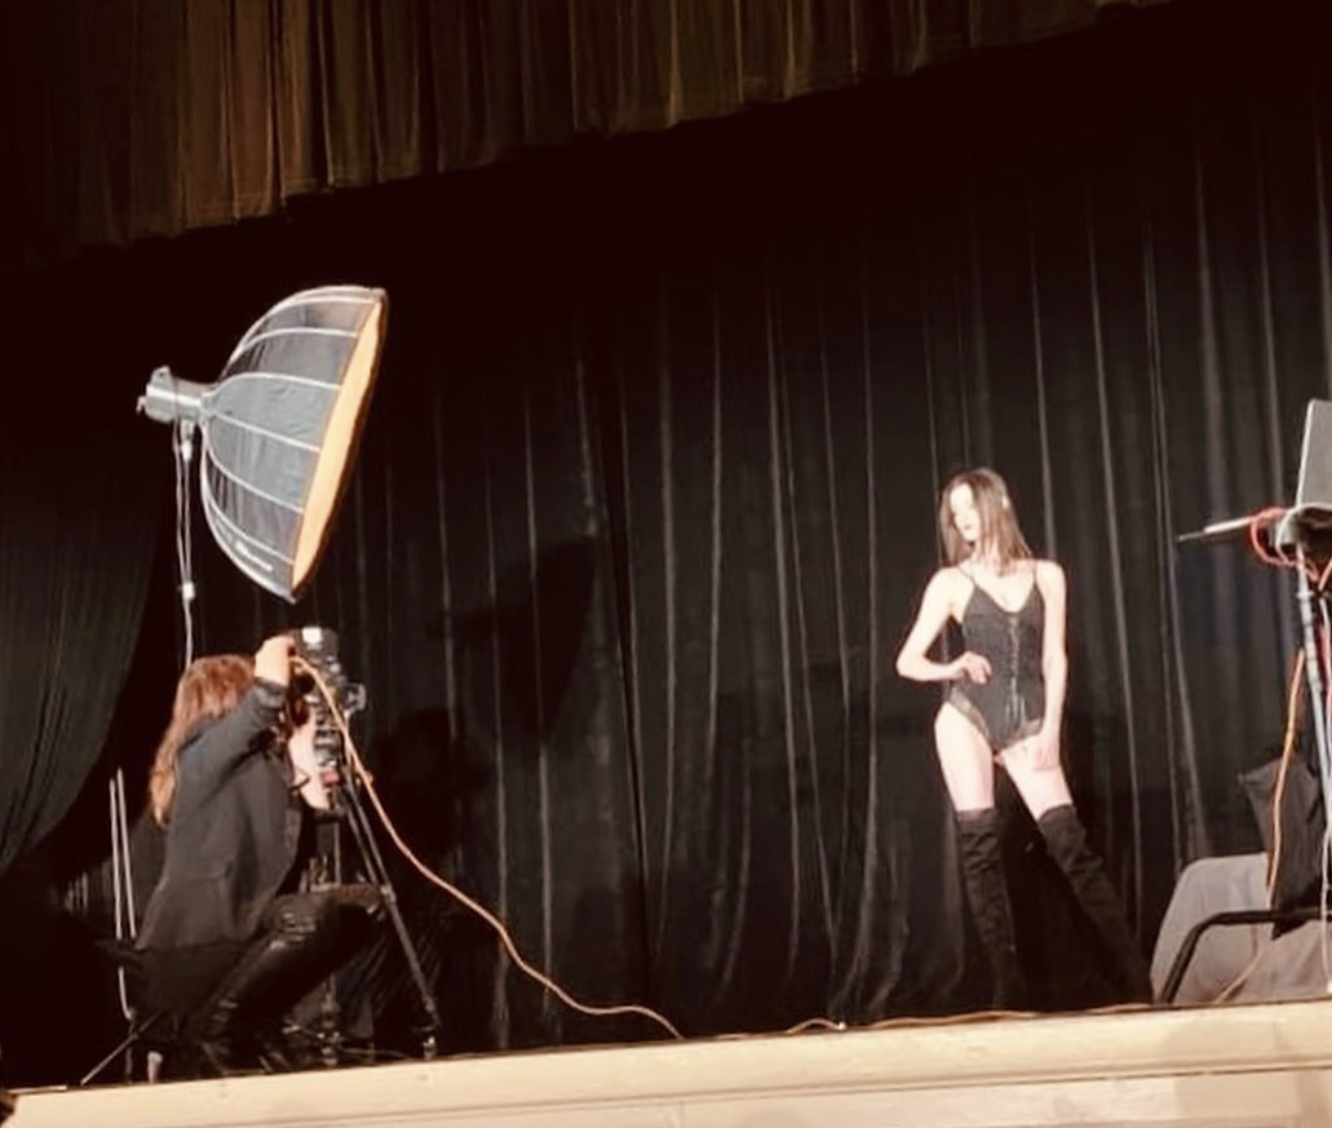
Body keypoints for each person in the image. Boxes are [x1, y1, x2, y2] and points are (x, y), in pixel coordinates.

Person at [895, 467, 1151, 1009]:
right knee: (981, 847)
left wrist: (1051, 729)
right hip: (967, 715)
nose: (964, 521)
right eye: (955, 514)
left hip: (1031, 717)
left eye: (971, 508)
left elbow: (1055, 657)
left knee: (1070, 848)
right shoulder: (950, 583)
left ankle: (1137, 979)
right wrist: (954, 665)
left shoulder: (1046, 574)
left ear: (999, 505)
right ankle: (1008, 990)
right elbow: (907, 662)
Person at [133, 634, 381, 1076]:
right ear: (230, 695)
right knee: (309, 914)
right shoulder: (201, 753)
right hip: (196, 944)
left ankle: (261, 1016)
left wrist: (301, 745)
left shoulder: (263, 765)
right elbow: (264, 699)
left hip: (246, 930)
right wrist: (275, 652)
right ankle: (212, 1032)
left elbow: (321, 824)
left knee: (366, 904)